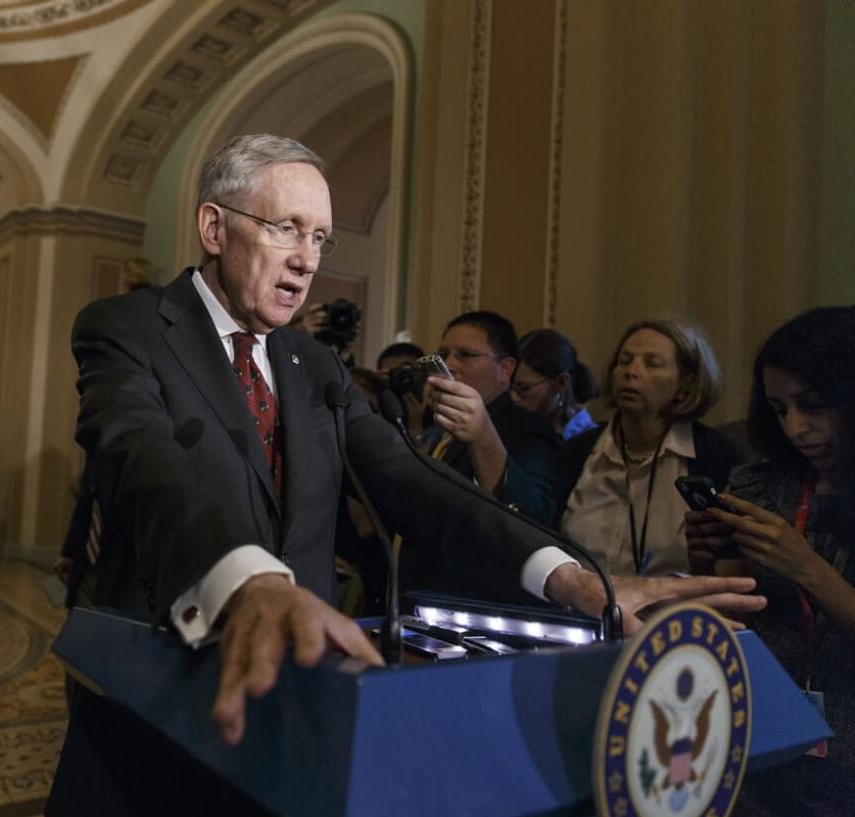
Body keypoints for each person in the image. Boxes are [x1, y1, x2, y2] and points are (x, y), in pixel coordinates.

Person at [46, 134, 763, 816]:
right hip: (156, 702)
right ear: (213, 225)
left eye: (321, 238)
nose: (307, 259)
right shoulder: (128, 327)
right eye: (286, 229)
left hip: (291, 711)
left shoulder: (314, 366)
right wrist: (250, 578)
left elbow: (414, 481)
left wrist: (570, 577)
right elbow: (146, 461)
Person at [685, 307, 855, 816]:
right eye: (781, 411)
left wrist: (806, 567)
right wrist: (709, 563)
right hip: (763, 745)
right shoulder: (762, 484)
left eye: (814, 406)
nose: (798, 430)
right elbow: (733, 622)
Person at [556, 319, 750, 576]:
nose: (631, 371)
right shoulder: (578, 451)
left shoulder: (721, 457)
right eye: (624, 361)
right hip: (580, 610)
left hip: (678, 614)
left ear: (686, 384)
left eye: (651, 364)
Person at [422, 311, 562, 526]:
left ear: (505, 370)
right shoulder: (437, 426)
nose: (448, 364)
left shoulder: (528, 428)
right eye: (443, 355)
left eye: (465, 355)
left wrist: (483, 437)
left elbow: (532, 515)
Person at [511, 328, 599, 440]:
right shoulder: (518, 427)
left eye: (524, 388)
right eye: (510, 387)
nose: (513, 397)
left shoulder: (590, 440)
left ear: (561, 382)